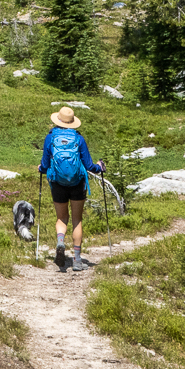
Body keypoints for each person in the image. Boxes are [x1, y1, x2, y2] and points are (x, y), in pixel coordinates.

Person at [38, 106, 105, 271]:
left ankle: (60, 242)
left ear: (58, 120)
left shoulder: (50, 137)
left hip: (57, 182)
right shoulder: (79, 139)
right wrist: (99, 167)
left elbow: (45, 165)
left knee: (61, 218)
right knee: (77, 219)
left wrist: (41, 168)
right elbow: (88, 165)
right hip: (77, 182)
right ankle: (76, 260)